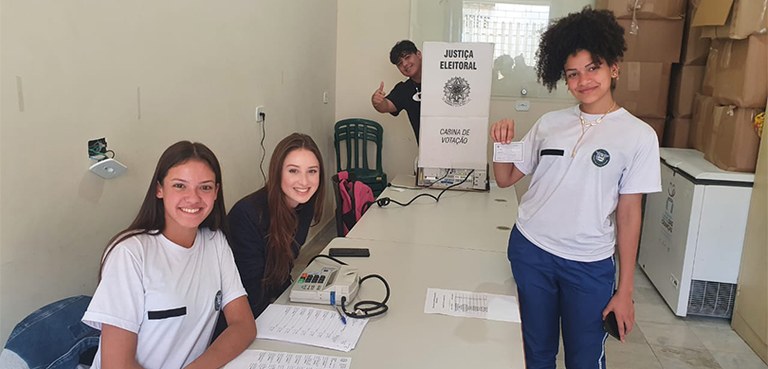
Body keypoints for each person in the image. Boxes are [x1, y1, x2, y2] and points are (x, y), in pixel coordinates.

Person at [489, 7, 661, 369]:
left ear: (614, 67)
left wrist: (625, 290)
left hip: (588, 264)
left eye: (592, 68)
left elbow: (630, 213)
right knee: (535, 354)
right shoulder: (549, 123)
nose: (583, 81)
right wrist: (501, 145)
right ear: (563, 79)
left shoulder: (639, 136)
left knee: (584, 360)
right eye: (572, 74)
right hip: (531, 250)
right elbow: (506, 178)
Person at [82, 141, 256, 369]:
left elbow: (243, 324)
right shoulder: (130, 253)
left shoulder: (215, 243)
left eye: (205, 187)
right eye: (180, 186)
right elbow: (116, 365)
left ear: (216, 192)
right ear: (159, 189)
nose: (193, 198)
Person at [228, 133, 325, 319]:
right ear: (277, 171)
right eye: (293, 171)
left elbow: (282, 273)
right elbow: (250, 293)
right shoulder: (247, 215)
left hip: (271, 305)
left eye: (312, 171)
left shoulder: (304, 204)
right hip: (243, 317)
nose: (304, 182)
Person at [371, 40, 423, 143]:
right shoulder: (404, 89)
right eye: (399, 63)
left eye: (407, 57)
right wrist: (377, 101)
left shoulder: (443, 80)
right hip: (427, 153)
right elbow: (386, 106)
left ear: (419, 54)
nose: (405, 64)